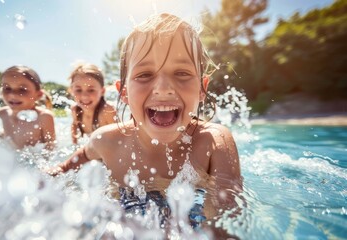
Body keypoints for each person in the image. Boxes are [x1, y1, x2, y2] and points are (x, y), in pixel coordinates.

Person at [48, 13, 242, 233]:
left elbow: (224, 223)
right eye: (145, 74)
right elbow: (74, 161)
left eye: (181, 72)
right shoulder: (107, 141)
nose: (163, 87)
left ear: (202, 88)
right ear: (123, 92)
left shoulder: (213, 143)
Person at [0, 65, 56, 150]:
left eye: (22, 89)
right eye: (7, 88)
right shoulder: (3, 113)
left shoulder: (44, 117)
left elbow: (51, 148)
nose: (12, 95)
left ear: (38, 95)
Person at [68, 63, 116, 144]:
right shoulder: (75, 110)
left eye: (91, 90)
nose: (84, 96)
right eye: (78, 90)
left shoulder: (107, 111)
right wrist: (74, 144)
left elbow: (119, 141)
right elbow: (74, 126)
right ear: (72, 91)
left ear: (102, 91)